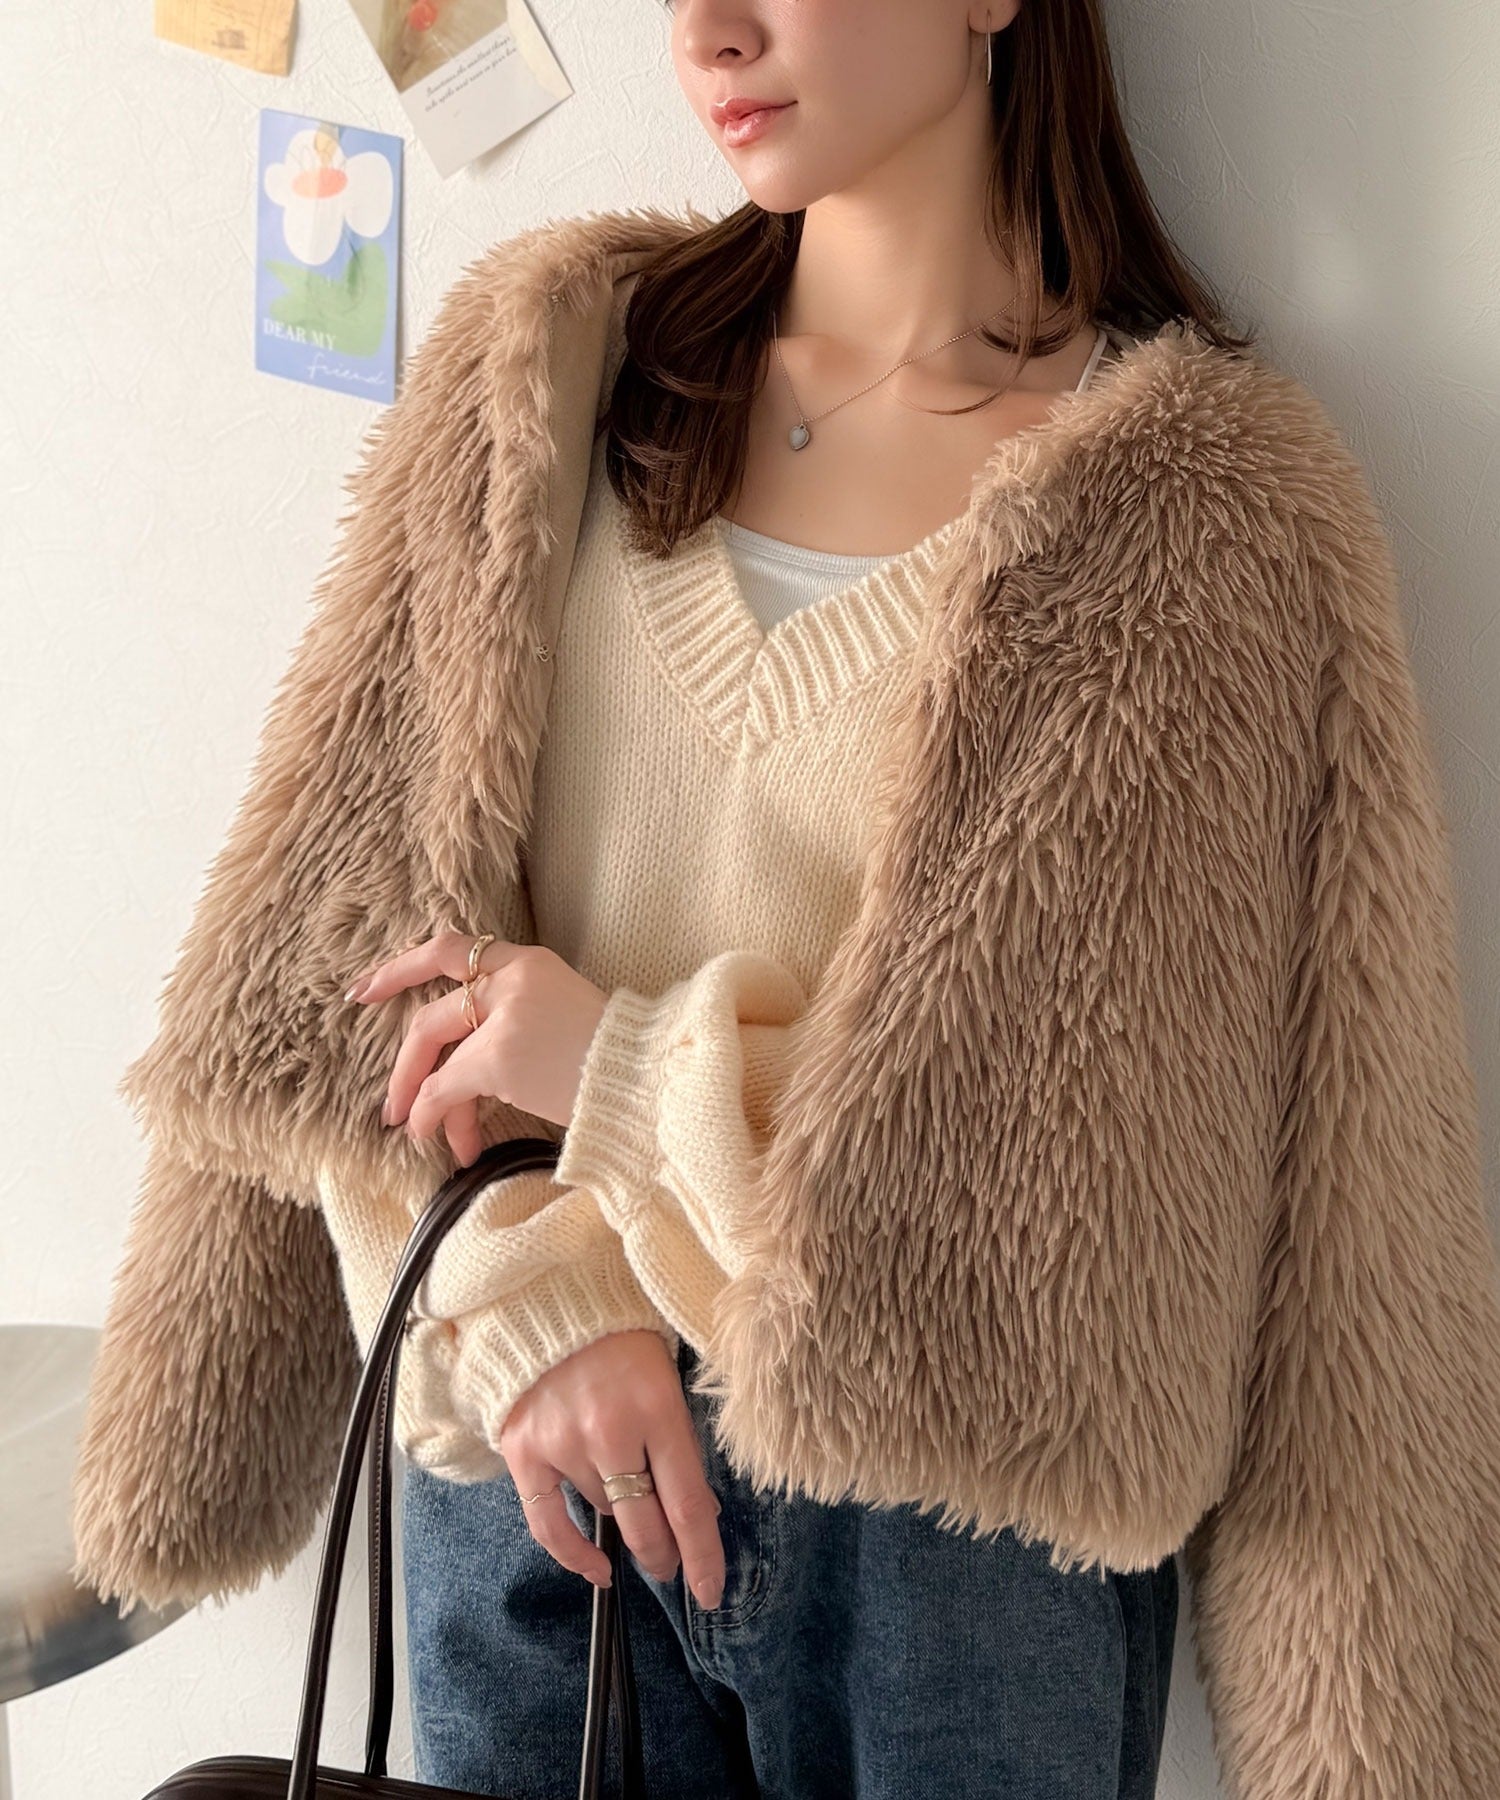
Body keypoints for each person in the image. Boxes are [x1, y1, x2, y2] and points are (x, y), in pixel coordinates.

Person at [70, 0, 1500, 1795]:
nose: (711, 33)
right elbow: (329, 968)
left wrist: (617, 1069)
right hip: (536, 1490)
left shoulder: (1209, 514)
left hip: (956, 1560)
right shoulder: (549, 373)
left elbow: (1204, 1182)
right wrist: (526, 1305)